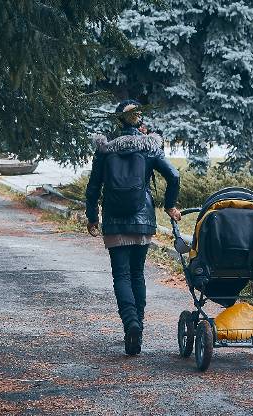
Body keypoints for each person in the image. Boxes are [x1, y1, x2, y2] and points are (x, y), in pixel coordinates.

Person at [85, 99, 181, 356]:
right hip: (143, 220)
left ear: (118, 121)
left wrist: (92, 216)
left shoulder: (105, 149)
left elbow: (94, 186)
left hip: (115, 220)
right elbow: (174, 176)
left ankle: (131, 324)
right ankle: (138, 325)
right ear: (139, 120)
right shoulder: (150, 147)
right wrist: (170, 206)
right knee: (137, 274)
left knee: (121, 276)